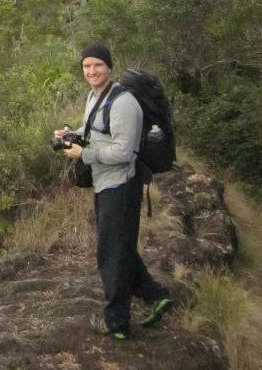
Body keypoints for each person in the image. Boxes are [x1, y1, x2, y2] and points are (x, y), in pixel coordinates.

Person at [55, 43, 171, 340]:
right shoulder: (95, 96)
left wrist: (84, 154)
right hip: (105, 182)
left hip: (122, 184)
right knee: (119, 246)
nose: (92, 71)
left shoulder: (124, 103)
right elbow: (93, 129)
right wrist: (71, 134)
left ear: (109, 67)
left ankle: (117, 322)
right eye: (86, 66)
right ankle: (155, 295)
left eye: (97, 66)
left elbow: (124, 151)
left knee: (111, 253)